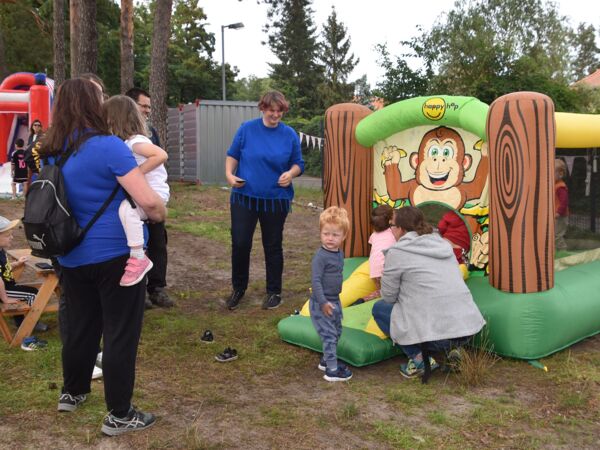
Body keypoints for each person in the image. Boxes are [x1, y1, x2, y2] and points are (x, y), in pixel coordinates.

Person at [39, 78, 166, 435]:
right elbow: (147, 200)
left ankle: (73, 391)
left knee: (79, 328)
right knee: (120, 334)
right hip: (116, 256)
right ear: (92, 104)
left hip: (70, 254)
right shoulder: (109, 147)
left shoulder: (51, 148)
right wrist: (160, 214)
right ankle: (120, 414)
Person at [372, 206, 486, 379]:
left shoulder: (397, 253)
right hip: (467, 329)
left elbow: (388, 296)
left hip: (437, 334)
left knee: (380, 309)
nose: (391, 229)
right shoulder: (443, 244)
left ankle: (419, 360)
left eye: (392, 225)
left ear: (401, 229)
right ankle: (454, 350)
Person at [224, 90, 304, 310]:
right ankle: (238, 288)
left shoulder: (289, 135)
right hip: (244, 197)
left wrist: (291, 174)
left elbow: (299, 163)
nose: (275, 114)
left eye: (280, 111)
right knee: (240, 243)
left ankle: (274, 292)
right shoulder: (246, 129)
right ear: (262, 108)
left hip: (275, 200)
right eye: (271, 110)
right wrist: (230, 175)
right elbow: (233, 155)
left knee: (273, 245)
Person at [103, 95, 169, 287]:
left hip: (155, 193)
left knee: (127, 210)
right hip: (150, 192)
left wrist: (136, 175)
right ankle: (138, 255)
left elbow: (160, 155)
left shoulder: (135, 142)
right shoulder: (128, 143)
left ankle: (138, 256)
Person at [126, 87, 173, 308]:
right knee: (135, 244)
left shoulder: (150, 131)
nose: (146, 110)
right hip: (130, 198)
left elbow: (159, 159)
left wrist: (139, 176)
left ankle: (157, 288)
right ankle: (138, 290)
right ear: (130, 105)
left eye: (149, 107)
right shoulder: (119, 133)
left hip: (151, 195)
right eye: (143, 106)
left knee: (157, 241)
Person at [309, 206, 353, 382]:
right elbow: (316, 281)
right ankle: (332, 370)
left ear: (343, 236)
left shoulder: (339, 253)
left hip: (335, 300)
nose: (330, 238)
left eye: (335, 235)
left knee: (336, 331)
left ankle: (327, 360)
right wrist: (323, 302)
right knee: (328, 334)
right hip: (322, 303)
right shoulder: (320, 257)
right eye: (326, 233)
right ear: (321, 233)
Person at [0, 216, 45, 349]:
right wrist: (5, 299)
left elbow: (5, 268)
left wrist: (17, 263)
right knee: (33, 295)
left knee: (31, 291)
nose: (12, 238)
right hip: (3, 289)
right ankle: (27, 325)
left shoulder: (1, 250)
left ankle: (21, 321)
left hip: (7, 285)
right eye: (8, 235)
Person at [359, 204, 396, 302]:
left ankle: (364, 299)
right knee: (388, 292)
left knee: (381, 289)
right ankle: (370, 298)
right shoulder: (393, 232)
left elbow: (375, 250)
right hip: (386, 271)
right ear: (390, 221)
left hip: (374, 271)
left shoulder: (373, 236)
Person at [555, 159, 569, 251]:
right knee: (555, 234)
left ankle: (563, 251)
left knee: (558, 235)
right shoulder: (554, 185)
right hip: (556, 215)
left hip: (561, 216)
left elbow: (564, 201)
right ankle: (556, 251)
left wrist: (558, 212)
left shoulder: (561, 186)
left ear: (560, 174)